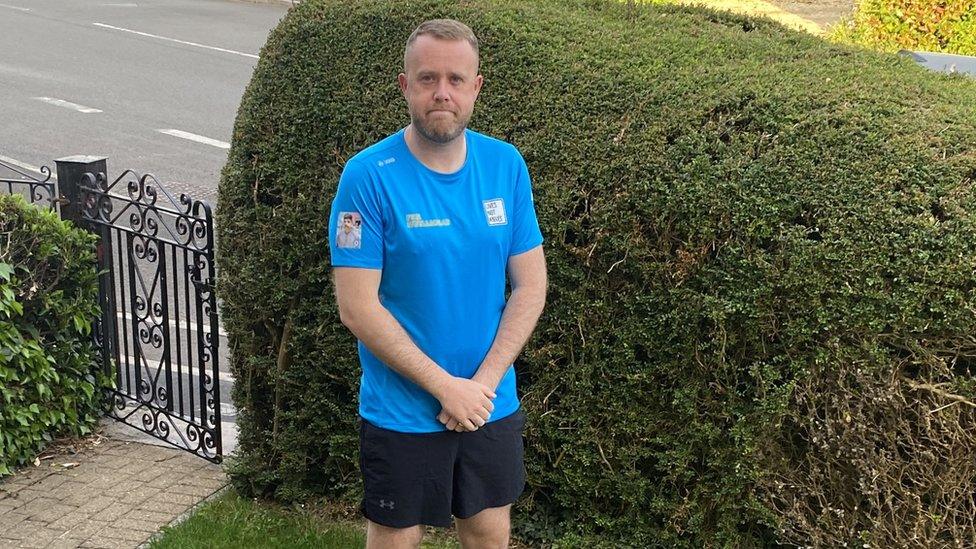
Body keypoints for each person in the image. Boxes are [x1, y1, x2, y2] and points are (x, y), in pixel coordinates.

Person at [327, 18, 547, 549]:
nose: (441, 93)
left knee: (489, 533)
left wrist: (482, 386)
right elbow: (358, 308)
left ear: (476, 87)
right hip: (401, 411)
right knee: (395, 538)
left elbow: (530, 285)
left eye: (455, 79)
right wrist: (445, 387)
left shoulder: (506, 165)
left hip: (489, 403)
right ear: (405, 86)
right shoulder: (368, 176)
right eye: (427, 79)